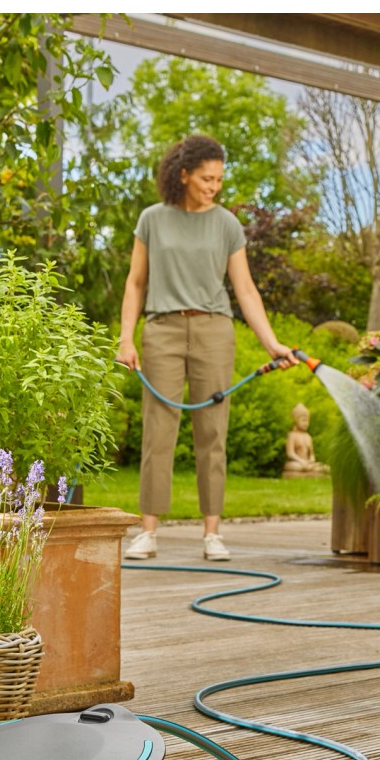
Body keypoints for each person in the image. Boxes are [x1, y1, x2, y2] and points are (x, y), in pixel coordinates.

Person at [117, 133, 294, 561]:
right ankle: (149, 532)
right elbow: (136, 282)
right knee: (159, 431)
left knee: (212, 433)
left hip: (215, 332)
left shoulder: (227, 225)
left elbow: (246, 291)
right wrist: (126, 337)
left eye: (218, 179)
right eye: (206, 178)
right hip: (162, 330)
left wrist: (271, 342)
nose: (214, 186)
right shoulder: (152, 220)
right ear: (183, 175)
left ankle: (212, 533)